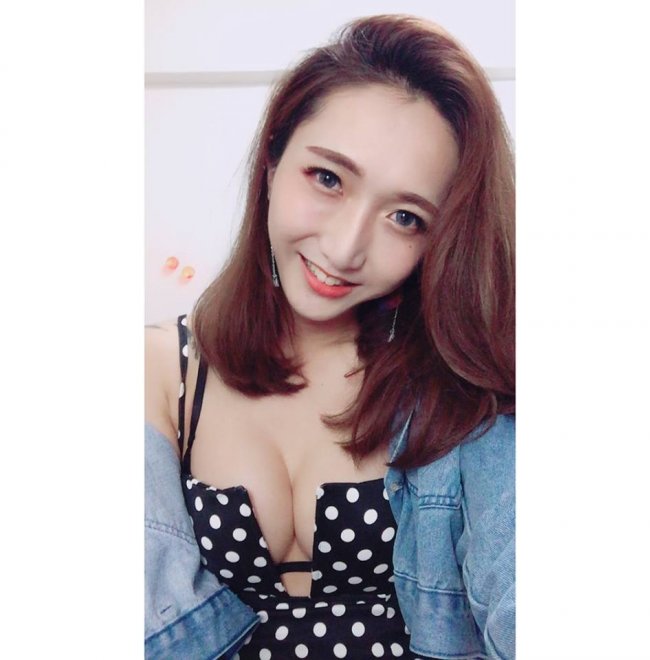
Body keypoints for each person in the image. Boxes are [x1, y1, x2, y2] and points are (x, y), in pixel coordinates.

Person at [146, 13, 515, 660]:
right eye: (328, 178)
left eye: (405, 217)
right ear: (272, 160)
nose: (345, 249)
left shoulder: (460, 386)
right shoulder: (158, 371)